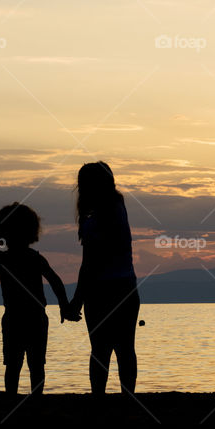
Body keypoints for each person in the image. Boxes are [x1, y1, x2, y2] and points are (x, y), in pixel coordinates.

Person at [0, 203, 79, 395]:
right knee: (36, 365)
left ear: (2, 232)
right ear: (32, 231)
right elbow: (56, 282)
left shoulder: (4, 258)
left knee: (13, 365)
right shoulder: (34, 258)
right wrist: (64, 306)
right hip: (35, 319)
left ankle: (11, 398)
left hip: (15, 319)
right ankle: (36, 398)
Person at [69, 162, 140, 394]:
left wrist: (76, 300)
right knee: (123, 349)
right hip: (124, 286)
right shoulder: (115, 207)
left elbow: (90, 262)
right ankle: (125, 398)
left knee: (101, 349)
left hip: (104, 290)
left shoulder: (103, 215)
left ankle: (100, 399)